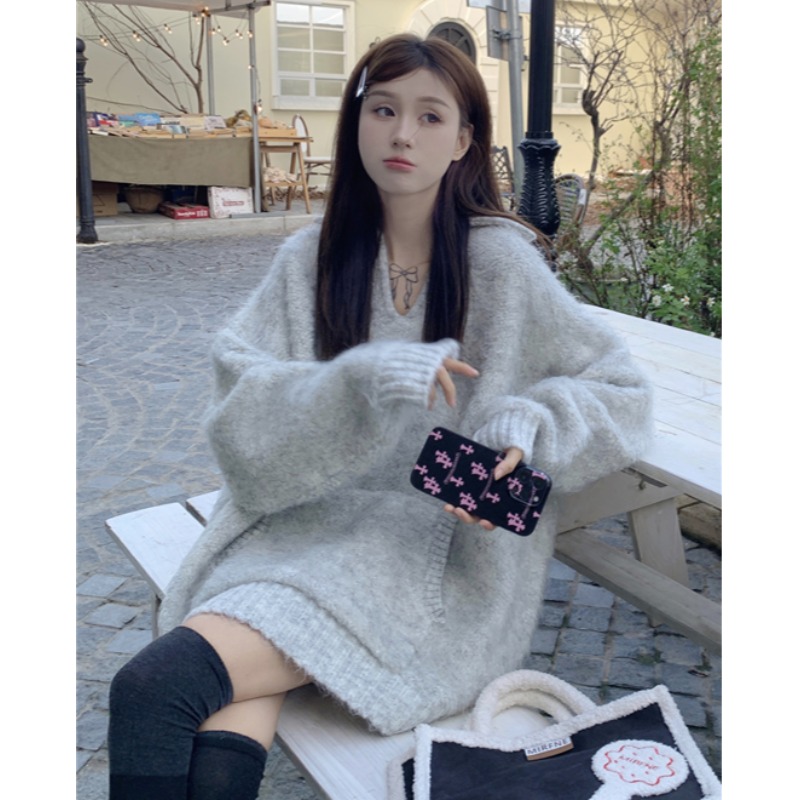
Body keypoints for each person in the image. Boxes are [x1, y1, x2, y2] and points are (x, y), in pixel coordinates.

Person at [107, 33, 653, 799]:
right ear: (356, 122)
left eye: (431, 117)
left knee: (154, 690)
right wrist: (356, 382)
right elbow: (242, 406)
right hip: (300, 533)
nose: (402, 134)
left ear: (463, 141)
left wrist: (528, 421)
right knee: (214, 710)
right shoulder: (311, 259)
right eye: (384, 110)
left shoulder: (501, 264)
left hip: (428, 570)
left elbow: (621, 390)